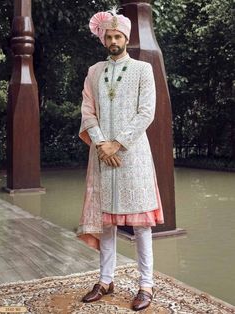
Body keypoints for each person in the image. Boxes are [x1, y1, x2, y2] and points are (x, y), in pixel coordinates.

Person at [77, 7, 164, 311]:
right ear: (102, 40)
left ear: (126, 37)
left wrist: (117, 144)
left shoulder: (142, 70)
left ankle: (146, 285)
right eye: (108, 36)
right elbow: (87, 111)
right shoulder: (94, 72)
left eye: (118, 36)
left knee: (141, 225)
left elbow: (146, 112)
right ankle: (105, 280)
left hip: (133, 155)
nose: (113, 40)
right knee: (106, 223)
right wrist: (102, 144)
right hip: (102, 155)